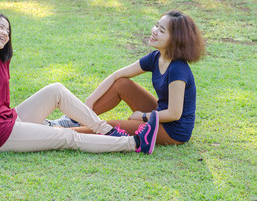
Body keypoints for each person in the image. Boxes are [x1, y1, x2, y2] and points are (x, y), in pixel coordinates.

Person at [0, 11, 160, 156]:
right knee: (66, 137)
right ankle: (134, 143)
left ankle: (106, 130)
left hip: (8, 120)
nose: (5, 33)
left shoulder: (0, 60)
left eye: (8, 30)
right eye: (0, 27)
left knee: (56, 89)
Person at [46, 10, 205, 146]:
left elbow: (174, 114)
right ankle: (74, 119)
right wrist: (90, 101)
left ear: (175, 40)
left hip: (174, 131)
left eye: (162, 30)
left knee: (110, 126)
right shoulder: (156, 57)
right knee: (122, 84)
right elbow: (117, 75)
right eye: (156, 25)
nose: (154, 30)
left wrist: (143, 116)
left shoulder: (178, 69)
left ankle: (55, 133)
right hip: (159, 113)